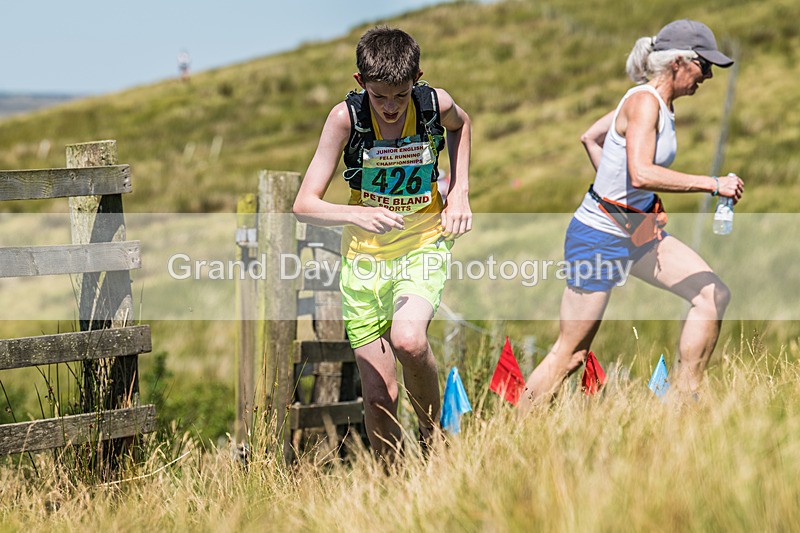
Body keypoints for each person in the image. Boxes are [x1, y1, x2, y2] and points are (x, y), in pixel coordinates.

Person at [519, 19, 744, 409]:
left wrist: (618, 198)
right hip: (597, 237)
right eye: (704, 66)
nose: (707, 76)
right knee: (572, 355)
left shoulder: (650, 101)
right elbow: (640, 173)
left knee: (712, 295)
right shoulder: (643, 102)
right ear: (678, 62)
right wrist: (713, 183)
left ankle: (682, 405)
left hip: (637, 230)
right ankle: (514, 428)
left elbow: (591, 137)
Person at [293, 27, 472, 461]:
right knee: (379, 395)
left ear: (418, 79)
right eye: (379, 97)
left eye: (400, 95)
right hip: (364, 259)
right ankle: (391, 485)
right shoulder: (345, 119)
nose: (391, 108)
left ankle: (435, 448)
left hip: (423, 242)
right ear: (360, 84)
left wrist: (460, 190)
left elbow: (462, 125)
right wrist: (356, 213)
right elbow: (303, 204)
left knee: (409, 340)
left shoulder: (434, 103)